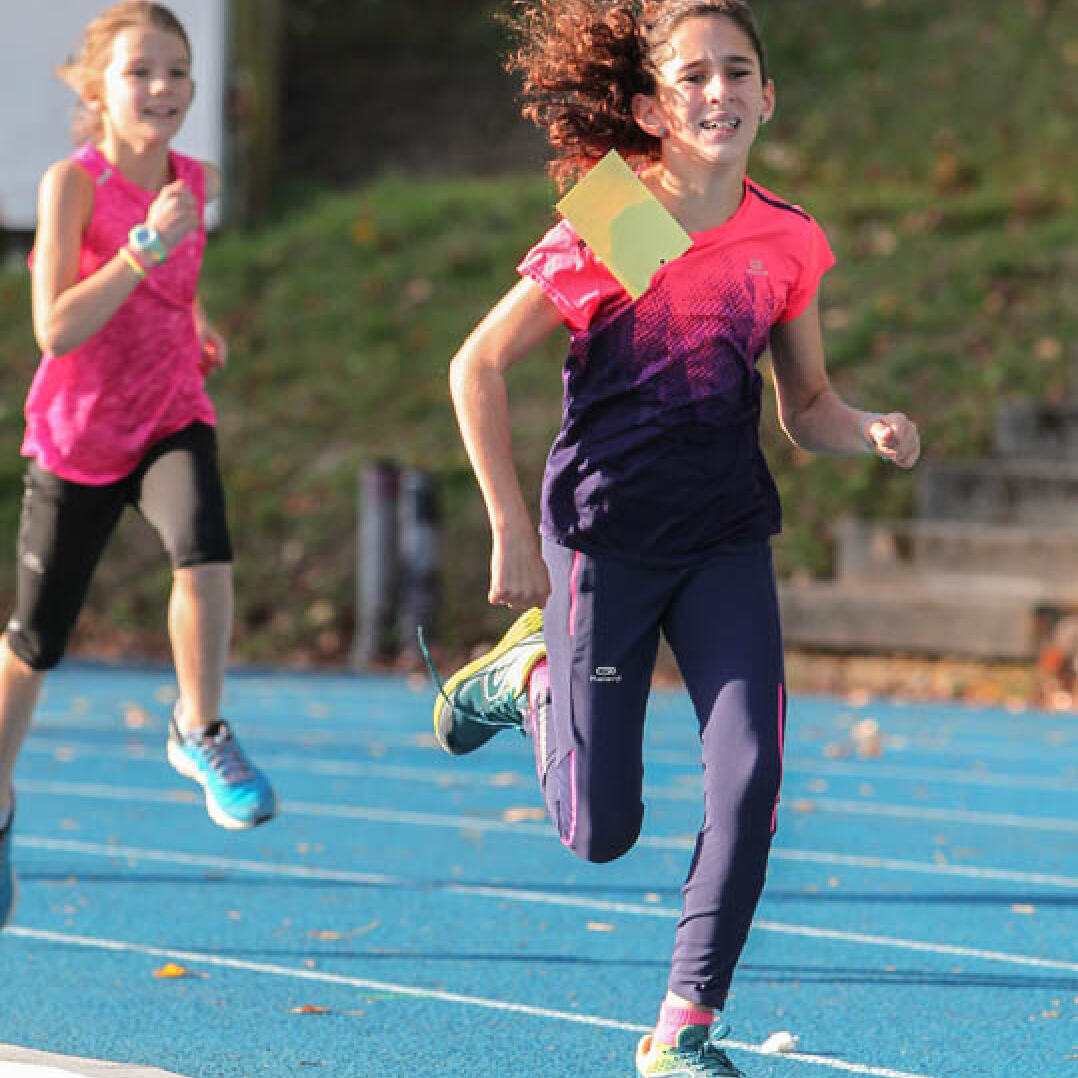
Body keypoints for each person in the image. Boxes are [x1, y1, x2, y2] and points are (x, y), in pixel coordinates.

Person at [428, 1, 920, 1075]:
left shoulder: (785, 236)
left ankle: (683, 1028)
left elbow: (806, 405)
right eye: (691, 76)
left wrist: (866, 427)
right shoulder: (630, 216)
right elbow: (478, 365)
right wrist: (510, 529)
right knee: (600, 831)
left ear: (767, 96)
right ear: (651, 108)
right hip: (604, 537)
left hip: (723, 539)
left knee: (751, 776)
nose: (718, 92)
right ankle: (529, 678)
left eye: (737, 72)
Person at [0, 1, 276, 931]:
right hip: (78, 437)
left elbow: (170, 289)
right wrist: (145, 245)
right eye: (139, 72)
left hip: (168, 414)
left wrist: (194, 323)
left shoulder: (196, 180)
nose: (162, 88)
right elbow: (56, 327)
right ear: (98, 89)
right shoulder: (72, 185)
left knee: (204, 550)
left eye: (177, 71)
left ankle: (200, 726)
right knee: (34, 645)